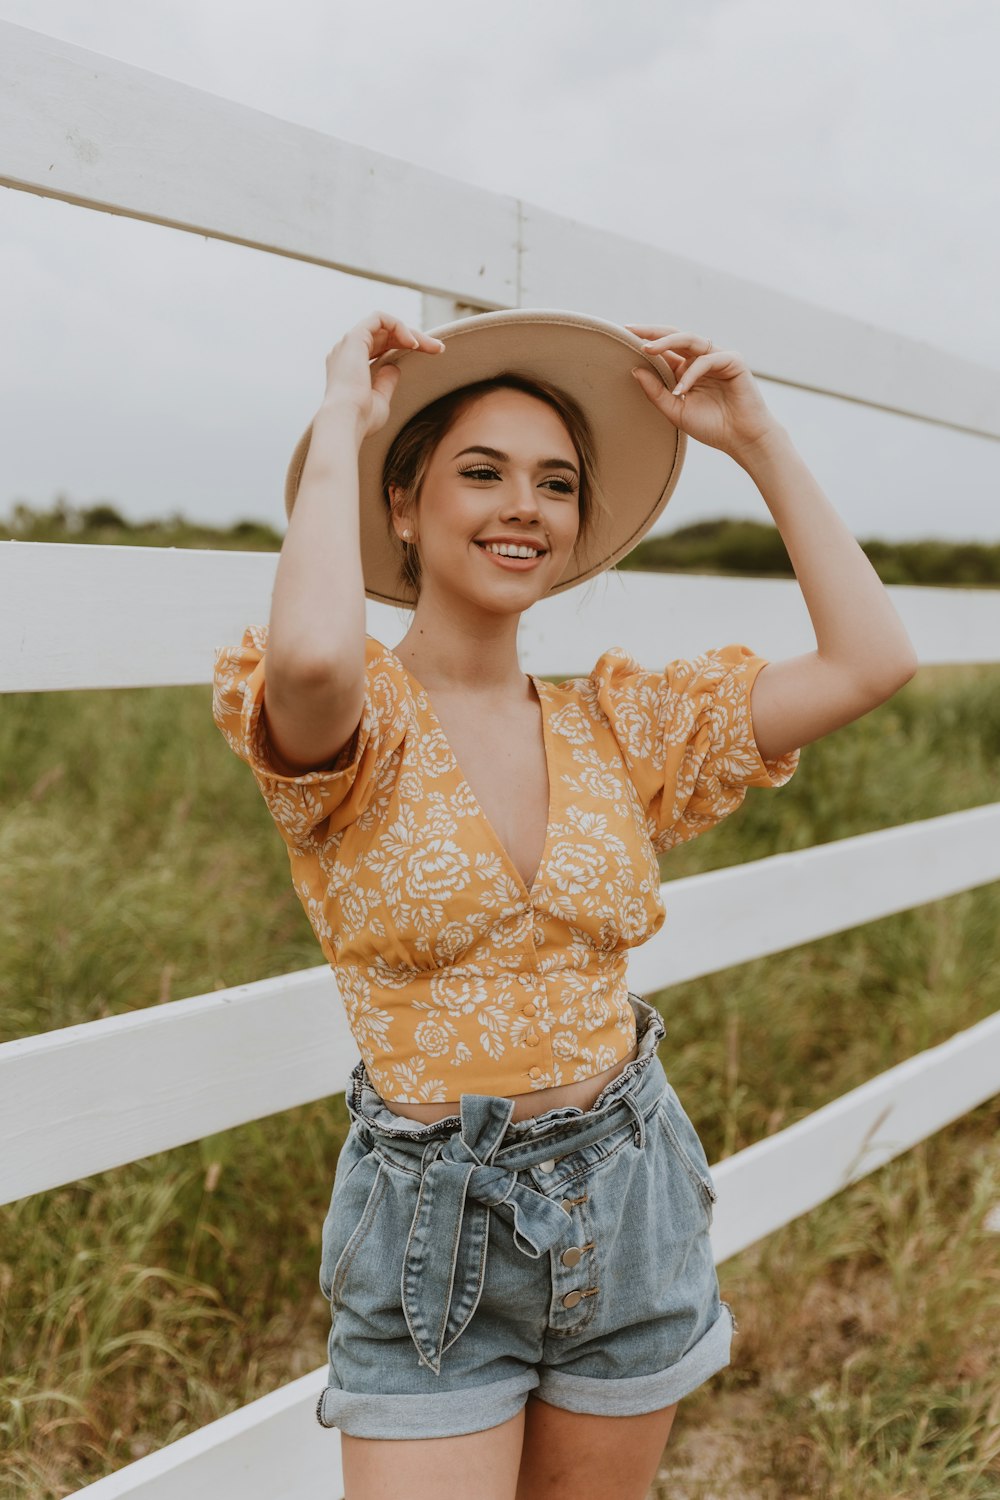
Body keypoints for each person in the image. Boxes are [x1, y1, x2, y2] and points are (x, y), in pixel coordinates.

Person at [212, 308, 917, 1499]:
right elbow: (319, 659)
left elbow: (870, 660)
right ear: (401, 504)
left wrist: (755, 437)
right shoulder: (356, 724)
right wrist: (343, 412)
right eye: (478, 472)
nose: (520, 507)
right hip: (432, 1222)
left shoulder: (621, 724)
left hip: (629, 1190)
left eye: (555, 483)